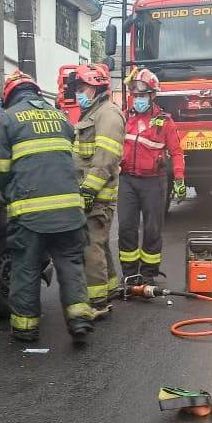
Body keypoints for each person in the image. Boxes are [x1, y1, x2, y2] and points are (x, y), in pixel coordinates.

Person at [0, 69, 96, 342]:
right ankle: (80, 320)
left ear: (9, 96)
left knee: (26, 267)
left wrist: (5, 194)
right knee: (71, 264)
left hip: (31, 214)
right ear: (36, 92)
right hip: (70, 211)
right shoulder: (61, 117)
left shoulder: (7, 120)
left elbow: (0, 171)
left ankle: (26, 328)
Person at [118, 68, 184, 284]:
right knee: (126, 228)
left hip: (154, 182)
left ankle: (148, 274)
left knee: (152, 229)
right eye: (136, 95)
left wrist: (180, 178)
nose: (138, 99)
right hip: (127, 180)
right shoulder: (124, 117)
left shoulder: (164, 122)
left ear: (153, 95)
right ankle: (130, 274)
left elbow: (176, 152)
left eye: (143, 95)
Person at [71, 63, 126, 309]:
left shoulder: (108, 115)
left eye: (82, 88)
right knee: (99, 243)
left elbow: (106, 158)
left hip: (98, 194)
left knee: (91, 246)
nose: (78, 94)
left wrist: (88, 190)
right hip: (92, 192)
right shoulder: (92, 113)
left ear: (95, 88)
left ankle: (96, 301)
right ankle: (110, 287)